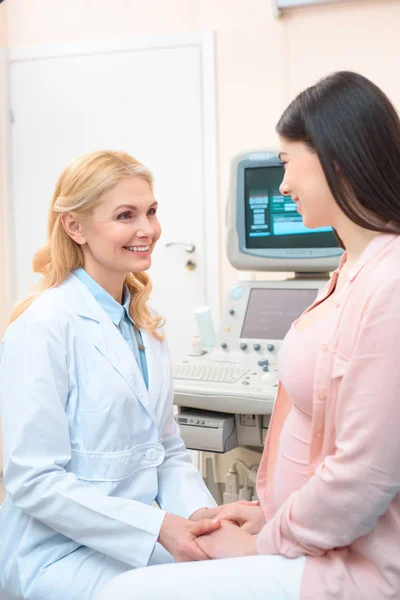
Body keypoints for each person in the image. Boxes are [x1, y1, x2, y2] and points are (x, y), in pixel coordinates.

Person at [94, 71, 400, 600]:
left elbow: (363, 476)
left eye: (286, 163)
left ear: (333, 156)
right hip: (312, 535)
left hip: (356, 563)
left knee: (122, 593)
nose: (282, 185)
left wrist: (267, 543)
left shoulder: (389, 284)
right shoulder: (351, 270)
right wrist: (267, 513)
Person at [0, 150, 223, 600]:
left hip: (134, 540)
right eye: (126, 215)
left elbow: (166, 450)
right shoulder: (44, 326)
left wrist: (202, 520)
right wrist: (159, 527)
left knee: (232, 574)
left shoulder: (145, 322)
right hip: (57, 552)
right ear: (75, 227)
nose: (147, 230)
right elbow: (33, 479)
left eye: (151, 211)